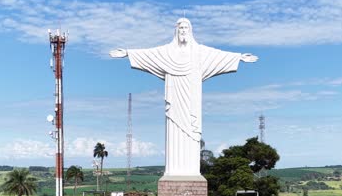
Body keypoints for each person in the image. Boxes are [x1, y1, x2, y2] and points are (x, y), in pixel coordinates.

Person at [110, 18, 257, 176]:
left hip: (192, 100)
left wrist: (238, 58)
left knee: (192, 133)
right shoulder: (167, 52)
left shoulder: (200, 52)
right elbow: (150, 54)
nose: (183, 31)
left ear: (190, 31)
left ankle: (192, 172)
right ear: (176, 31)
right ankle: (172, 172)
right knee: (174, 131)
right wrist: (127, 53)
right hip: (174, 99)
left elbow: (217, 56)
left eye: (186, 28)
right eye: (181, 28)